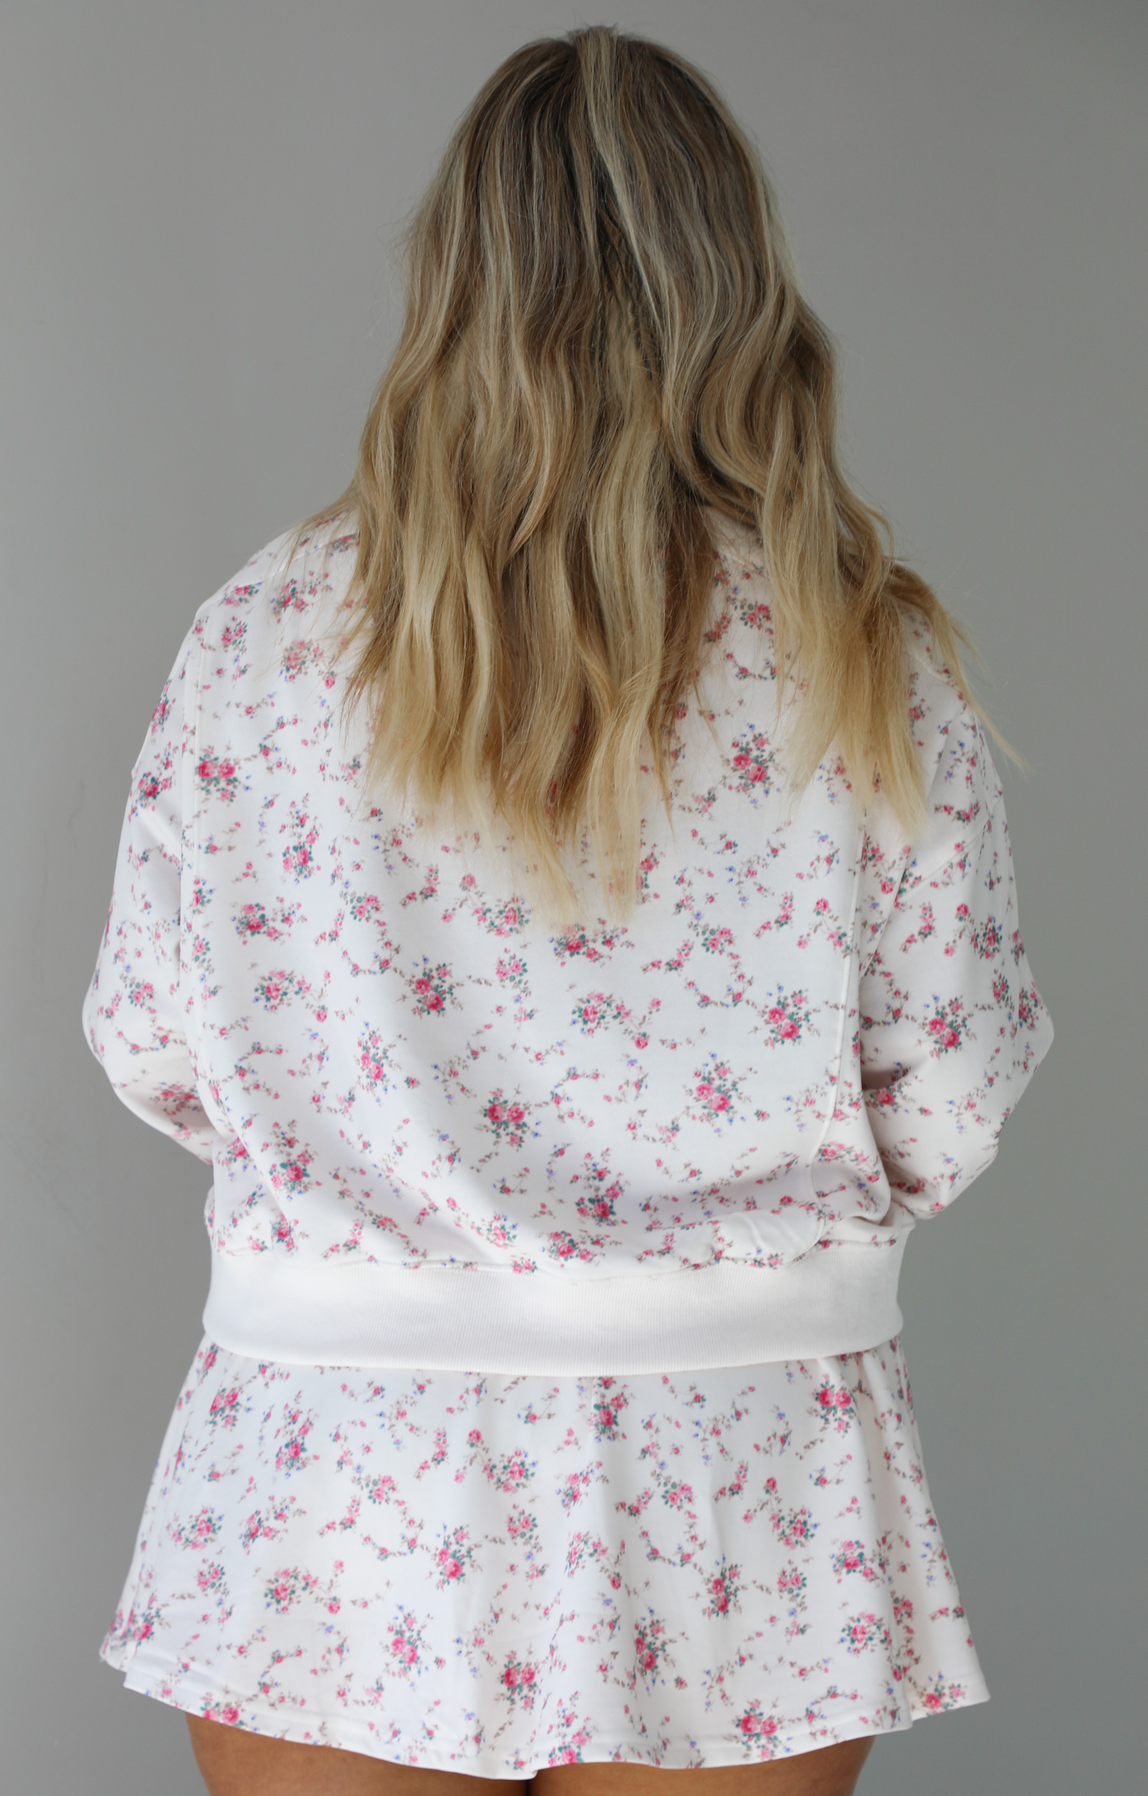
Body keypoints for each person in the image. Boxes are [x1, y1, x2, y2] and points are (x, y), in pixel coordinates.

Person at [82, 25, 1054, 1796]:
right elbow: (956, 1085)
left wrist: (385, 1172)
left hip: (335, 1450)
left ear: (449, 286)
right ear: (736, 288)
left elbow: (155, 1042)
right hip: (744, 1447)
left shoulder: (264, 636)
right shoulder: (867, 656)